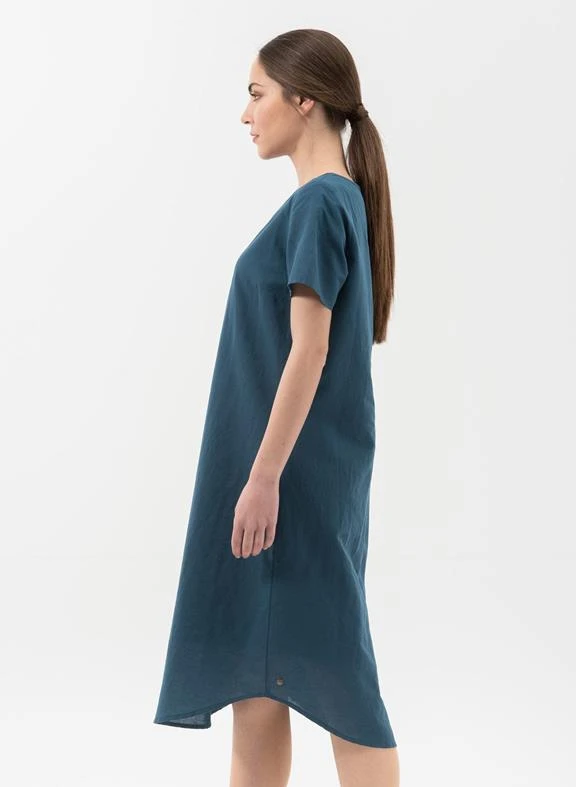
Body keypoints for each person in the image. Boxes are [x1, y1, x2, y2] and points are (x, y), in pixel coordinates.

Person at [153, 28, 400, 787]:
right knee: (258, 687)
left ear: (304, 100)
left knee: (343, 689)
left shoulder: (322, 204)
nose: (246, 113)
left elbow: (310, 351)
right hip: (291, 480)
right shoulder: (333, 201)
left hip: (287, 485)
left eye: (257, 94)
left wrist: (262, 478)